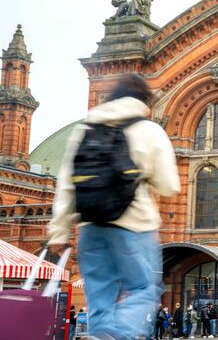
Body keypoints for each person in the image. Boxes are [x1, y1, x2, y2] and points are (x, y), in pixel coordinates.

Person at [47, 74, 180, 340]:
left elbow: (66, 185)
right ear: (144, 100)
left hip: (90, 227)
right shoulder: (149, 130)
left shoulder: (85, 129)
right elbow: (168, 186)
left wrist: (58, 232)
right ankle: (117, 335)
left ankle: (100, 334)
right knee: (144, 288)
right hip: (133, 224)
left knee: (99, 295)